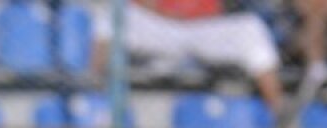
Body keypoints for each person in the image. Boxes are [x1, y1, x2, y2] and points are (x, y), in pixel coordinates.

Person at [92, 0, 286, 117]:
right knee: (109, 17)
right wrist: (165, 12)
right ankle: (94, 99)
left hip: (205, 28)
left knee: (251, 28)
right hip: (161, 26)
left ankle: (280, 116)